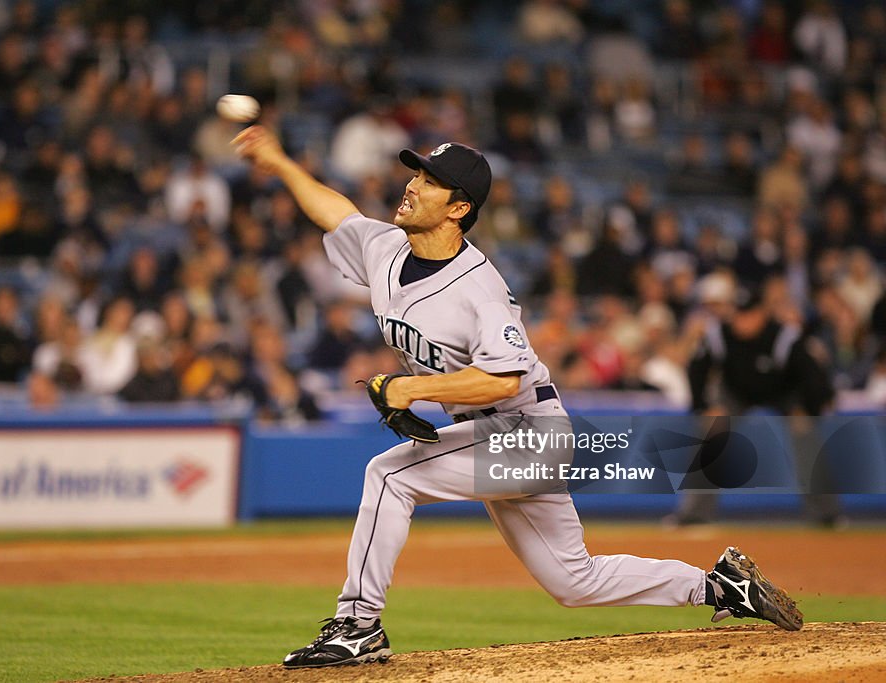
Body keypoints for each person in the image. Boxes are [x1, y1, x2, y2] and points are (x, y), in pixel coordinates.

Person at [233, 126, 803, 669]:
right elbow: (336, 212)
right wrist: (280, 163)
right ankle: (720, 585)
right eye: (416, 174)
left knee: (389, 475)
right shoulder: (384, 249)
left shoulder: (478, 288)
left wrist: (412, 388)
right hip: (495, 436)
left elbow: (505, 378)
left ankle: (357, 626)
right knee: (573, 581)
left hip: (527, 431)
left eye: (429, 181)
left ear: (459, 209)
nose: (411, 184)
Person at [671, 287, 844, 528]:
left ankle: (827, 514)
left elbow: (811, 373)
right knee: (709, 431)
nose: (742, 321)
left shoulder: (784, 335)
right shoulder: (719, 334)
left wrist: (808, 406)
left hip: (784, 392)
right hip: (736, 393)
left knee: (804, 432)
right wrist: (703, 406)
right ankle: (694, 513)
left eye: (749, 314)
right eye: (739, 314)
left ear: (762, 313)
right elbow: (697, 368)